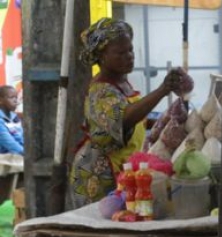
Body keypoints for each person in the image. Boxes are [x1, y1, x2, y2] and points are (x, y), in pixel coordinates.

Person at [70, 18, 186, 207]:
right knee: (104, 224)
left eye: (130, 50)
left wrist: (164, 121)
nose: (129, 56)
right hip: (99, 173)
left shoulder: (123, 84)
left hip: (123, 167)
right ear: (101, 56)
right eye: (120, 52)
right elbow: (123, 119)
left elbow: (136, 119)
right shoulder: (101, 90)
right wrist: (162, 90)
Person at [0, 86, 23, 154]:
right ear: (0, 100)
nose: (15, 100)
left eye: (16, 97)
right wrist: (28, 154)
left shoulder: (14, 117)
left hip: (17, 155)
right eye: (11, 97)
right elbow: (10, 144)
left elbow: (21, 137)